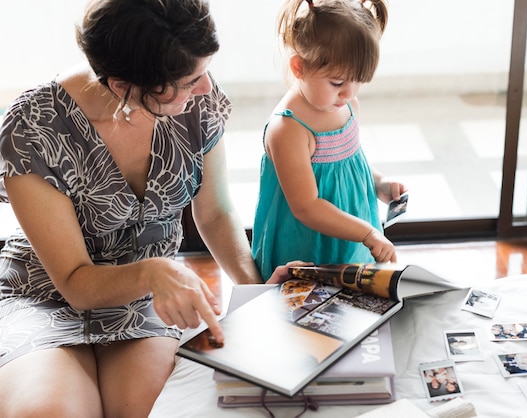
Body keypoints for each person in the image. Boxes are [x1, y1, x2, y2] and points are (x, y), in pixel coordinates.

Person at [0, 1, 295, 416]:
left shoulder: (197, 104)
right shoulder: (32, 127)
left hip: (145, 297)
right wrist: (156, 272)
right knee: (51, 412)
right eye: (189, 80)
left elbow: (214, 213)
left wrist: (257, 294)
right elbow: (74, 281)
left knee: (155, 409)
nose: (206, 88)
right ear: (122, 86)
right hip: (45, 292)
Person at [251, 0, 408, 281]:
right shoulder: (289, 128)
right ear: (298, 67)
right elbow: (306, 206)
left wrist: (379, 183)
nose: (349, 93)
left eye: (358, 81)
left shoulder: (346, 107)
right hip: (309, 243)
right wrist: (367, 232)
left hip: (352, 235)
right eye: (337, 83)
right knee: (308, 308)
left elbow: (350, 163)